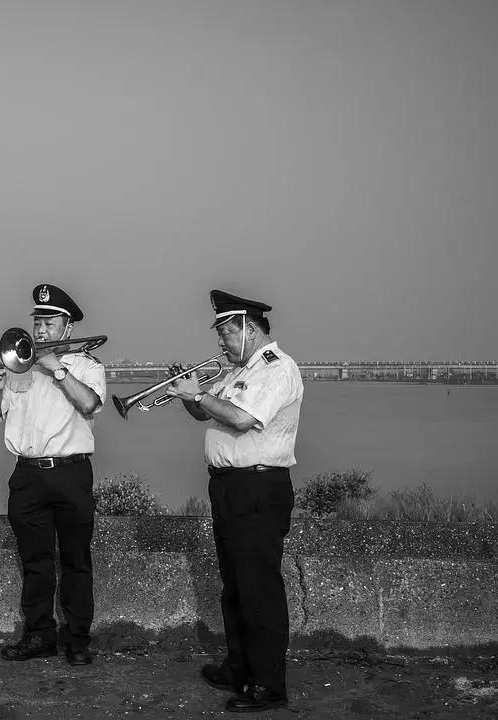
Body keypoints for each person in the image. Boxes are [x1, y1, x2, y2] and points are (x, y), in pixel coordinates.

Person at [165, 290, 303, 713]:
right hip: (228, 487)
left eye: (226, 332)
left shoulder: (277, 370)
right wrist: (189, 396)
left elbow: (242, 419)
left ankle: (268, 686)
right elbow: (209, 414)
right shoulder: (237, 370)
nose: (221, 341)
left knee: (259, 589)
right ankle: (239, 667)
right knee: (235, 587)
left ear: (250, 328)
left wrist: (201, 395)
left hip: (258, 488)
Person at [0, 283, 106, 666]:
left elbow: (89, 403)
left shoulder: (87, 366)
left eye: (49, 323)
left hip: (70, 473)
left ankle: (78, 638)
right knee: (34, 561)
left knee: (75, 559)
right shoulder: (18, 366)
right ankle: (39, 635)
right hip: (27, 475)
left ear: (67, 328)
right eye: (37, 322)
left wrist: (58, 369)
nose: (40, 330)